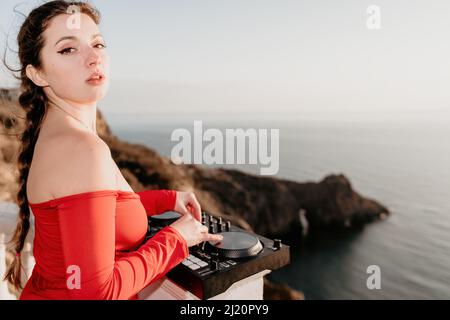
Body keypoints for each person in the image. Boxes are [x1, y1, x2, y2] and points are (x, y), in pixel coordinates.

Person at [2, 1, 222, 300]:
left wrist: (166, 199)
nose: (94, 58)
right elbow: (96, 293)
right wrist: (177, 238)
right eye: (68, 49)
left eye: (98, 43)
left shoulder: (61, 136)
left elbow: (95, 213)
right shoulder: (80, 148)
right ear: (38, 74)